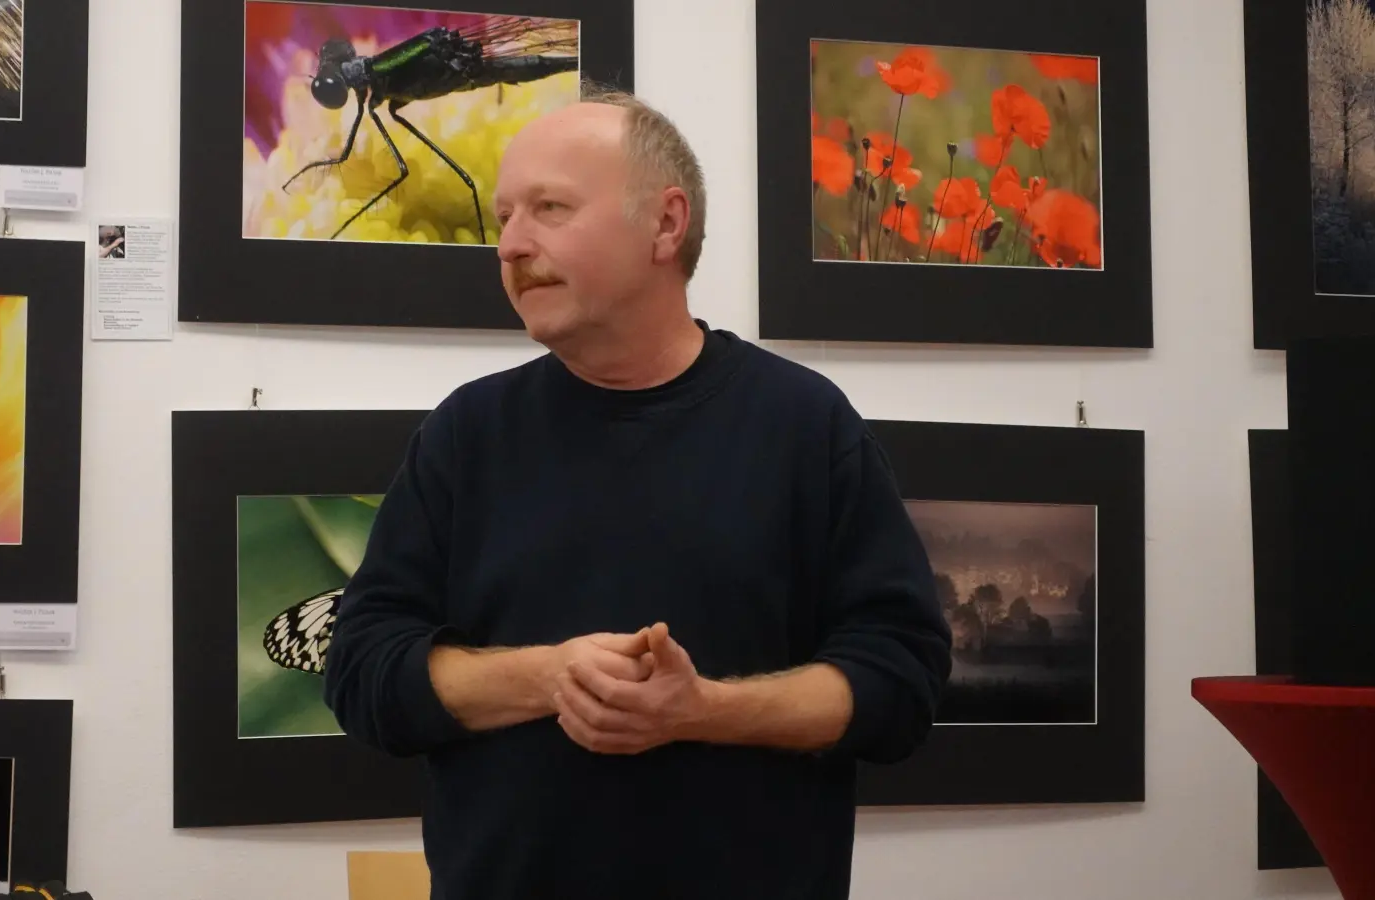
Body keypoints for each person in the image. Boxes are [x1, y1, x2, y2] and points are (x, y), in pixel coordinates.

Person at [323, 82, 952, 900]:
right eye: (505, 215)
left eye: (549, 208)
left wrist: (699, 711)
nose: (509, 244)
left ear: (665, 223)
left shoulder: (806, 426)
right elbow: (366, 675)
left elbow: (900, 685)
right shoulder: (467, 433)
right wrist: (549, 677)